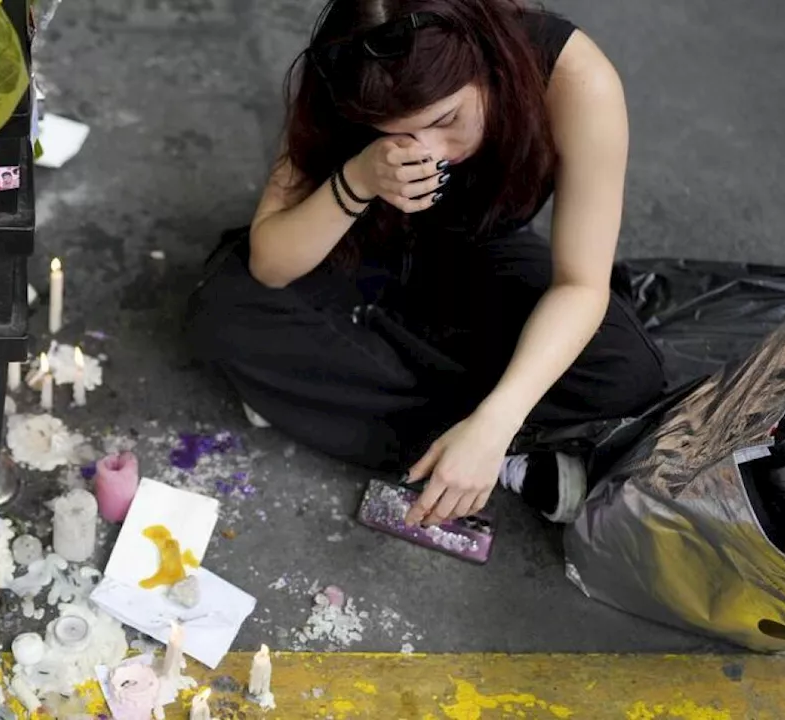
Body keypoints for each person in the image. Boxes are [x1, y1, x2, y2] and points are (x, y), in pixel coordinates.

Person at [185, 0, 667, 528]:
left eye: (446, 120)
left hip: (478, 257)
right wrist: (361, 177)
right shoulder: (344, 70)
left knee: (623, 372)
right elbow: (271, 265)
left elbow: (581, 284)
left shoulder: (575, 79)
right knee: (223, 309)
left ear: (490, 57)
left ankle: (409, 419)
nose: (428, 152)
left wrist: (495, 423)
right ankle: (503, 456)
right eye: (394, 132)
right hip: (361, 247)